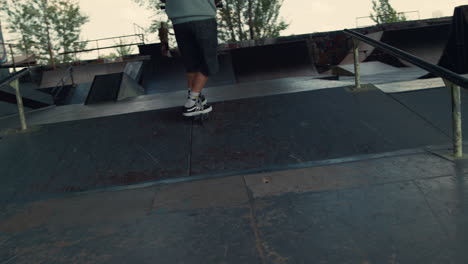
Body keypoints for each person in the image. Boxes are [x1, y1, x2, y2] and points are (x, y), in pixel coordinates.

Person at [162, 0, 221, 117]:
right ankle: (191, 104)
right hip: (203, 17)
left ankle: (194, 96)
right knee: (209, 63)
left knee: (191, 63)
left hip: (179, 21)